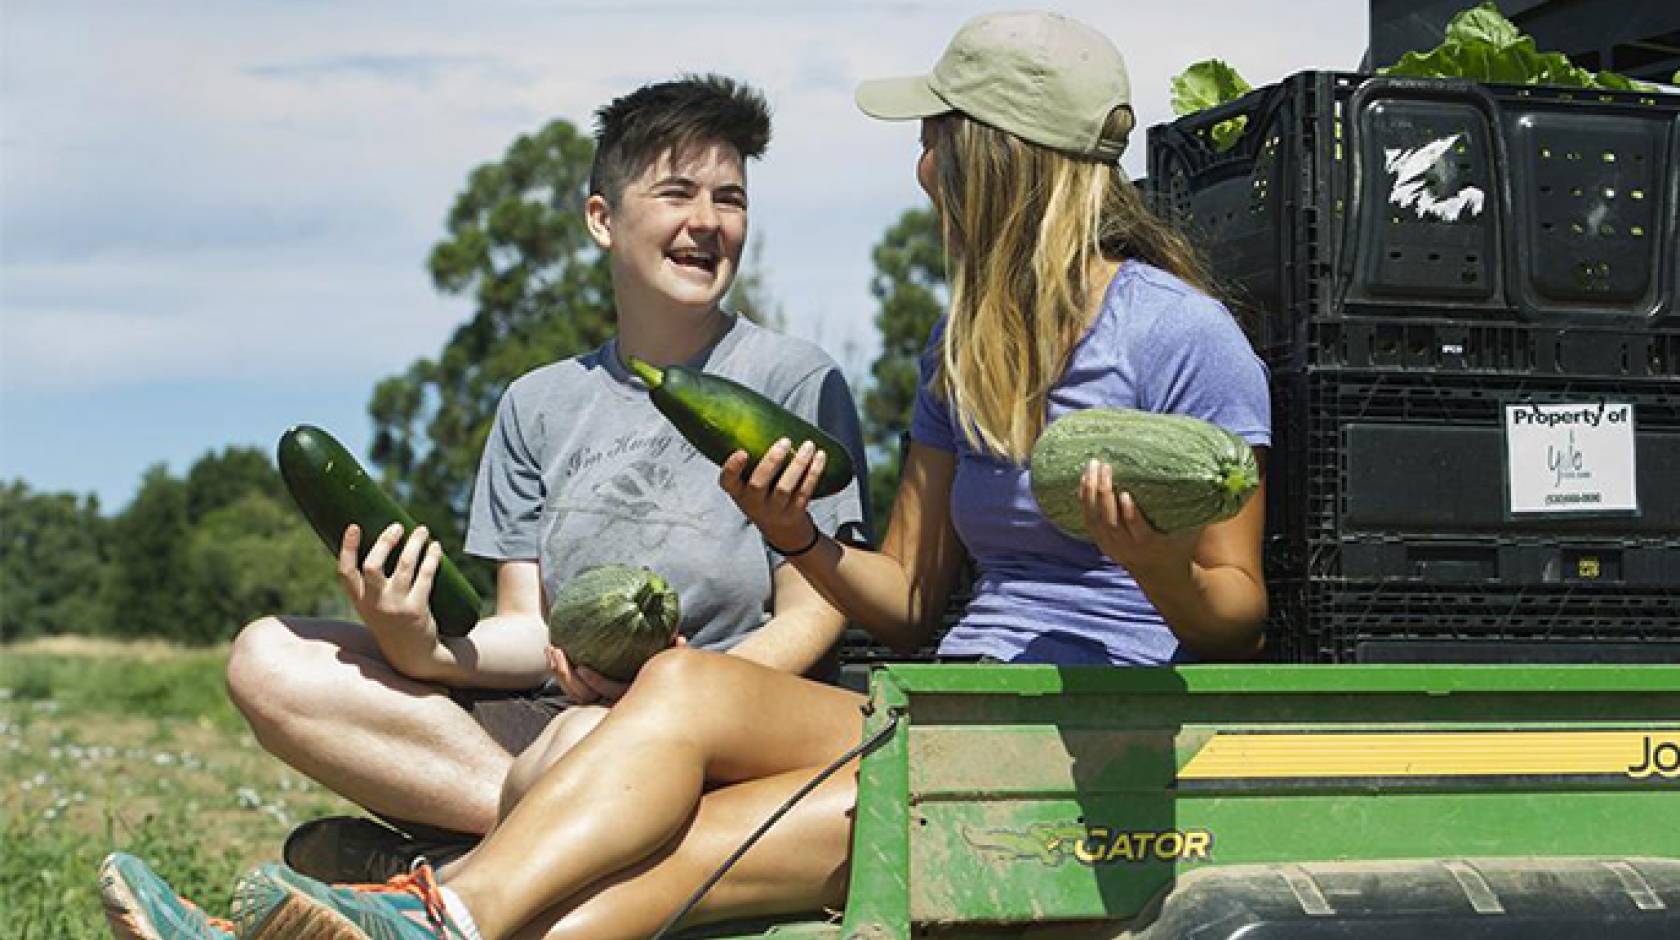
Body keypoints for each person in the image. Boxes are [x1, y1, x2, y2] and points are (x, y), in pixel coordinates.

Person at [99, 11, 1269, 940]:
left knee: (657, 861)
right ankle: (419, 917)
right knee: (678, 693)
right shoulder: (965, 342)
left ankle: (425, 914)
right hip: (941, 707)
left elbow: (1234, 622)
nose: (922, 168)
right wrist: (802, 539)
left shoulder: (1185, 339)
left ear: (1002, 157)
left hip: (1072, 742)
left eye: (938, 139)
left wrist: (1152, 557)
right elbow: (913, 598)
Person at [216, 73, 870, 884]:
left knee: (578, 741)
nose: (708, 222)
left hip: (716, 732)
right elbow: (528, 630)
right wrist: (413, 641)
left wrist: (670, 698)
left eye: (730, 199)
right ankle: (550, 839)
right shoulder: (537, 404)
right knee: (267, 659)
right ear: (603, 218)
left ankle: (459, 873)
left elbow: (816, 617)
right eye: (677, 193)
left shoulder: (793, 380)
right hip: (562, 723)